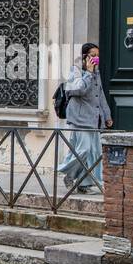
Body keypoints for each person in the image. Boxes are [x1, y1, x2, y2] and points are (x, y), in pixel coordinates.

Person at [58, 42, 113, 194]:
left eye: (97, 56)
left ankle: (84, 184)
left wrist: (107, 115)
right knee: (83, 150)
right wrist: (88, 73)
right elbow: (76, 89)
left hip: (94, 119)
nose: (96, 59)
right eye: (93, 55)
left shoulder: (97, 72)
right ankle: (68, 174)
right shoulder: (75, 70)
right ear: (84, 57)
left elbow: (100, 95)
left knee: (94, 153)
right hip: (80, 119)